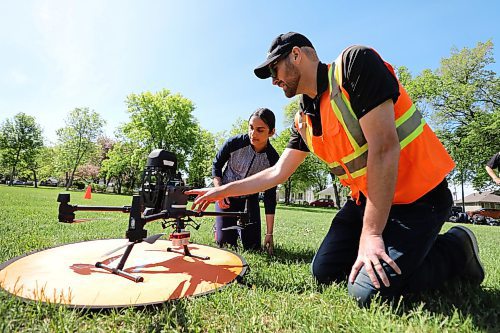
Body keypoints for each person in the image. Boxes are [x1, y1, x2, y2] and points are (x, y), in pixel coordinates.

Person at [186, 32, 485, 306]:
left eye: (274, 70)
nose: (274, 81)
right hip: (367, 202)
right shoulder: (304, 119)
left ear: (296, 55)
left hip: (417, 199)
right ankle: (394, 251)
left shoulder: (355, 64)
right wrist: (220, 190)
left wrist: (371, 233)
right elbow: (277, 173)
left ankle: (456, 247)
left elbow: (384, 147)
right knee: (324, 273)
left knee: (369, 294)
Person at [212, 108, 279, 254]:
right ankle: (219, 228)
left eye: (260, 130)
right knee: (226, 245)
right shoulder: (234, 143)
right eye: (251, 128)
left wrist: (269, 233)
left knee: (253, 247)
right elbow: (216, 165)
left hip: (250, 199)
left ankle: (243, 230)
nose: (253, 134)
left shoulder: (273, 159)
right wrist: (219, 192)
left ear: (271, 132)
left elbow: (269, 196)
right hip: (226, 196)